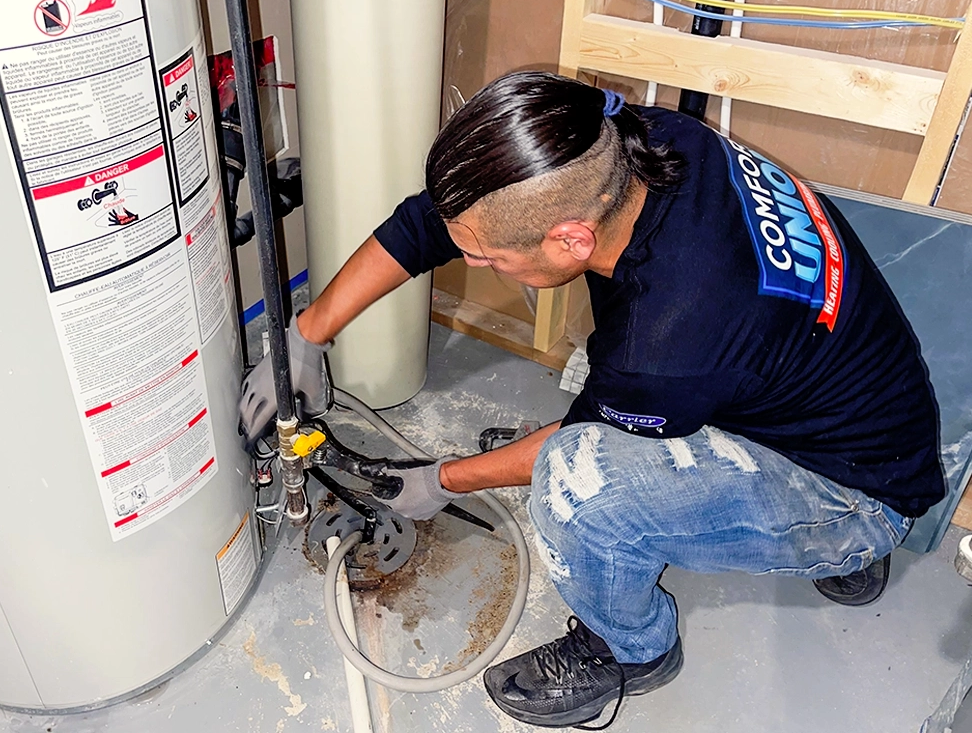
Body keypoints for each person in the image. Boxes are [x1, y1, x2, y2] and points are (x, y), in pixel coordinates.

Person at [239, 70, 944, 728]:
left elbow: (580, 436)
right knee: (605, 402)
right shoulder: (631, 144)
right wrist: (306, 335)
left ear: (572, 239)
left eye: (487, 258)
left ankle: (635, 650)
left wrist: (439, 480)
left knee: (574, 483)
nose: (474, 263)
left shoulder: (667, 341)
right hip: (824, 390)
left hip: (853, 491)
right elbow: (432, 225)